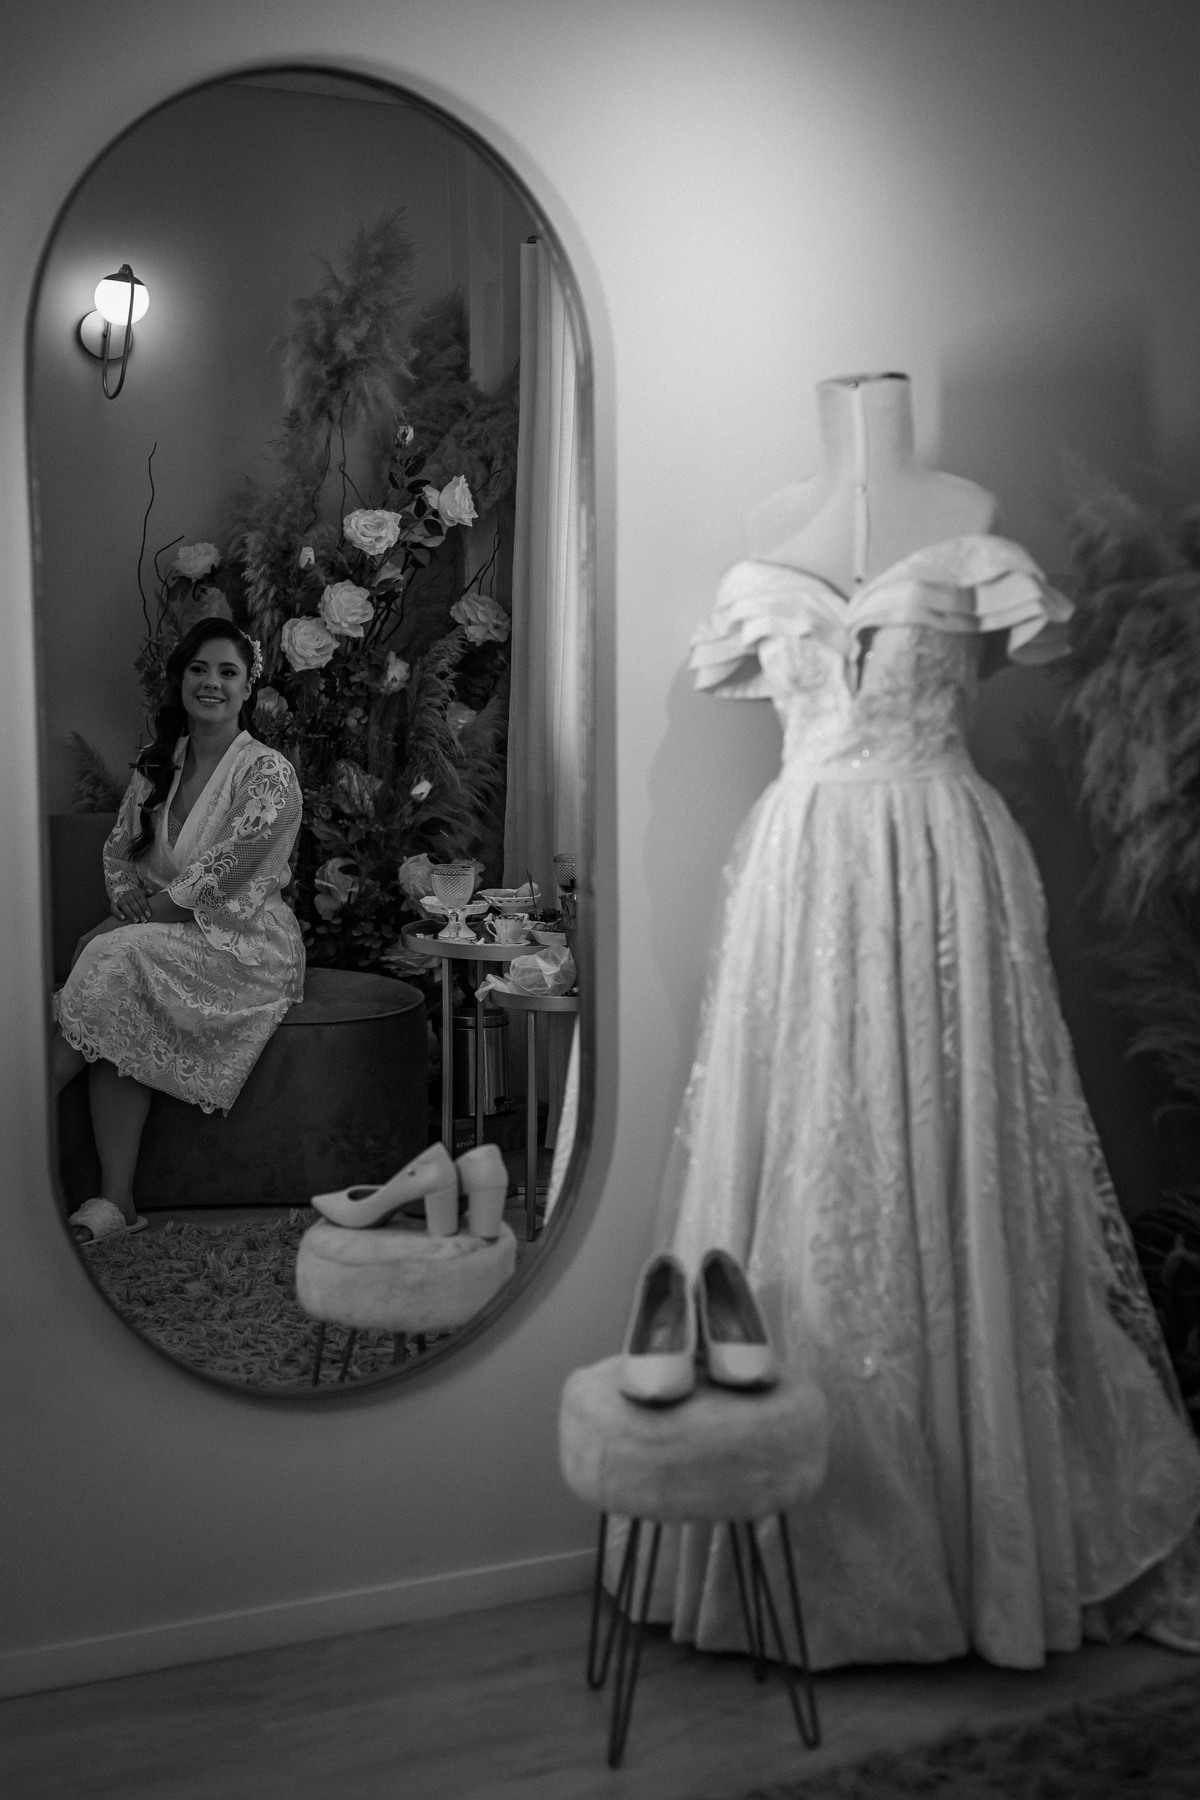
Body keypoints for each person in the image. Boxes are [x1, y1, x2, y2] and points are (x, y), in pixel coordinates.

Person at [652, 373, 1200, 1668]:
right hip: (803, 874)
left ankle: (986, 1536)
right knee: (807, 1158)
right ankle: (799, 1526)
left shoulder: (972, 522)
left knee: (966, 1158)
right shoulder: (767, 526)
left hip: (947, 865)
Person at [51, 617, 305, 1243]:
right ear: (180, 679)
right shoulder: (157, 764)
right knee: (121, 982)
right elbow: (120, 855)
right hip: (158, 939)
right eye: (199, 669)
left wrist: (116, 926)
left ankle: (22, 1109)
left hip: (245, 944)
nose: (211, 682)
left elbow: (227, 878)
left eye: (227, 672)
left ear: (248, 688)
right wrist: (123, 908)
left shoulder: (268, 774)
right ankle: (116, 1203)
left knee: (117, 956)